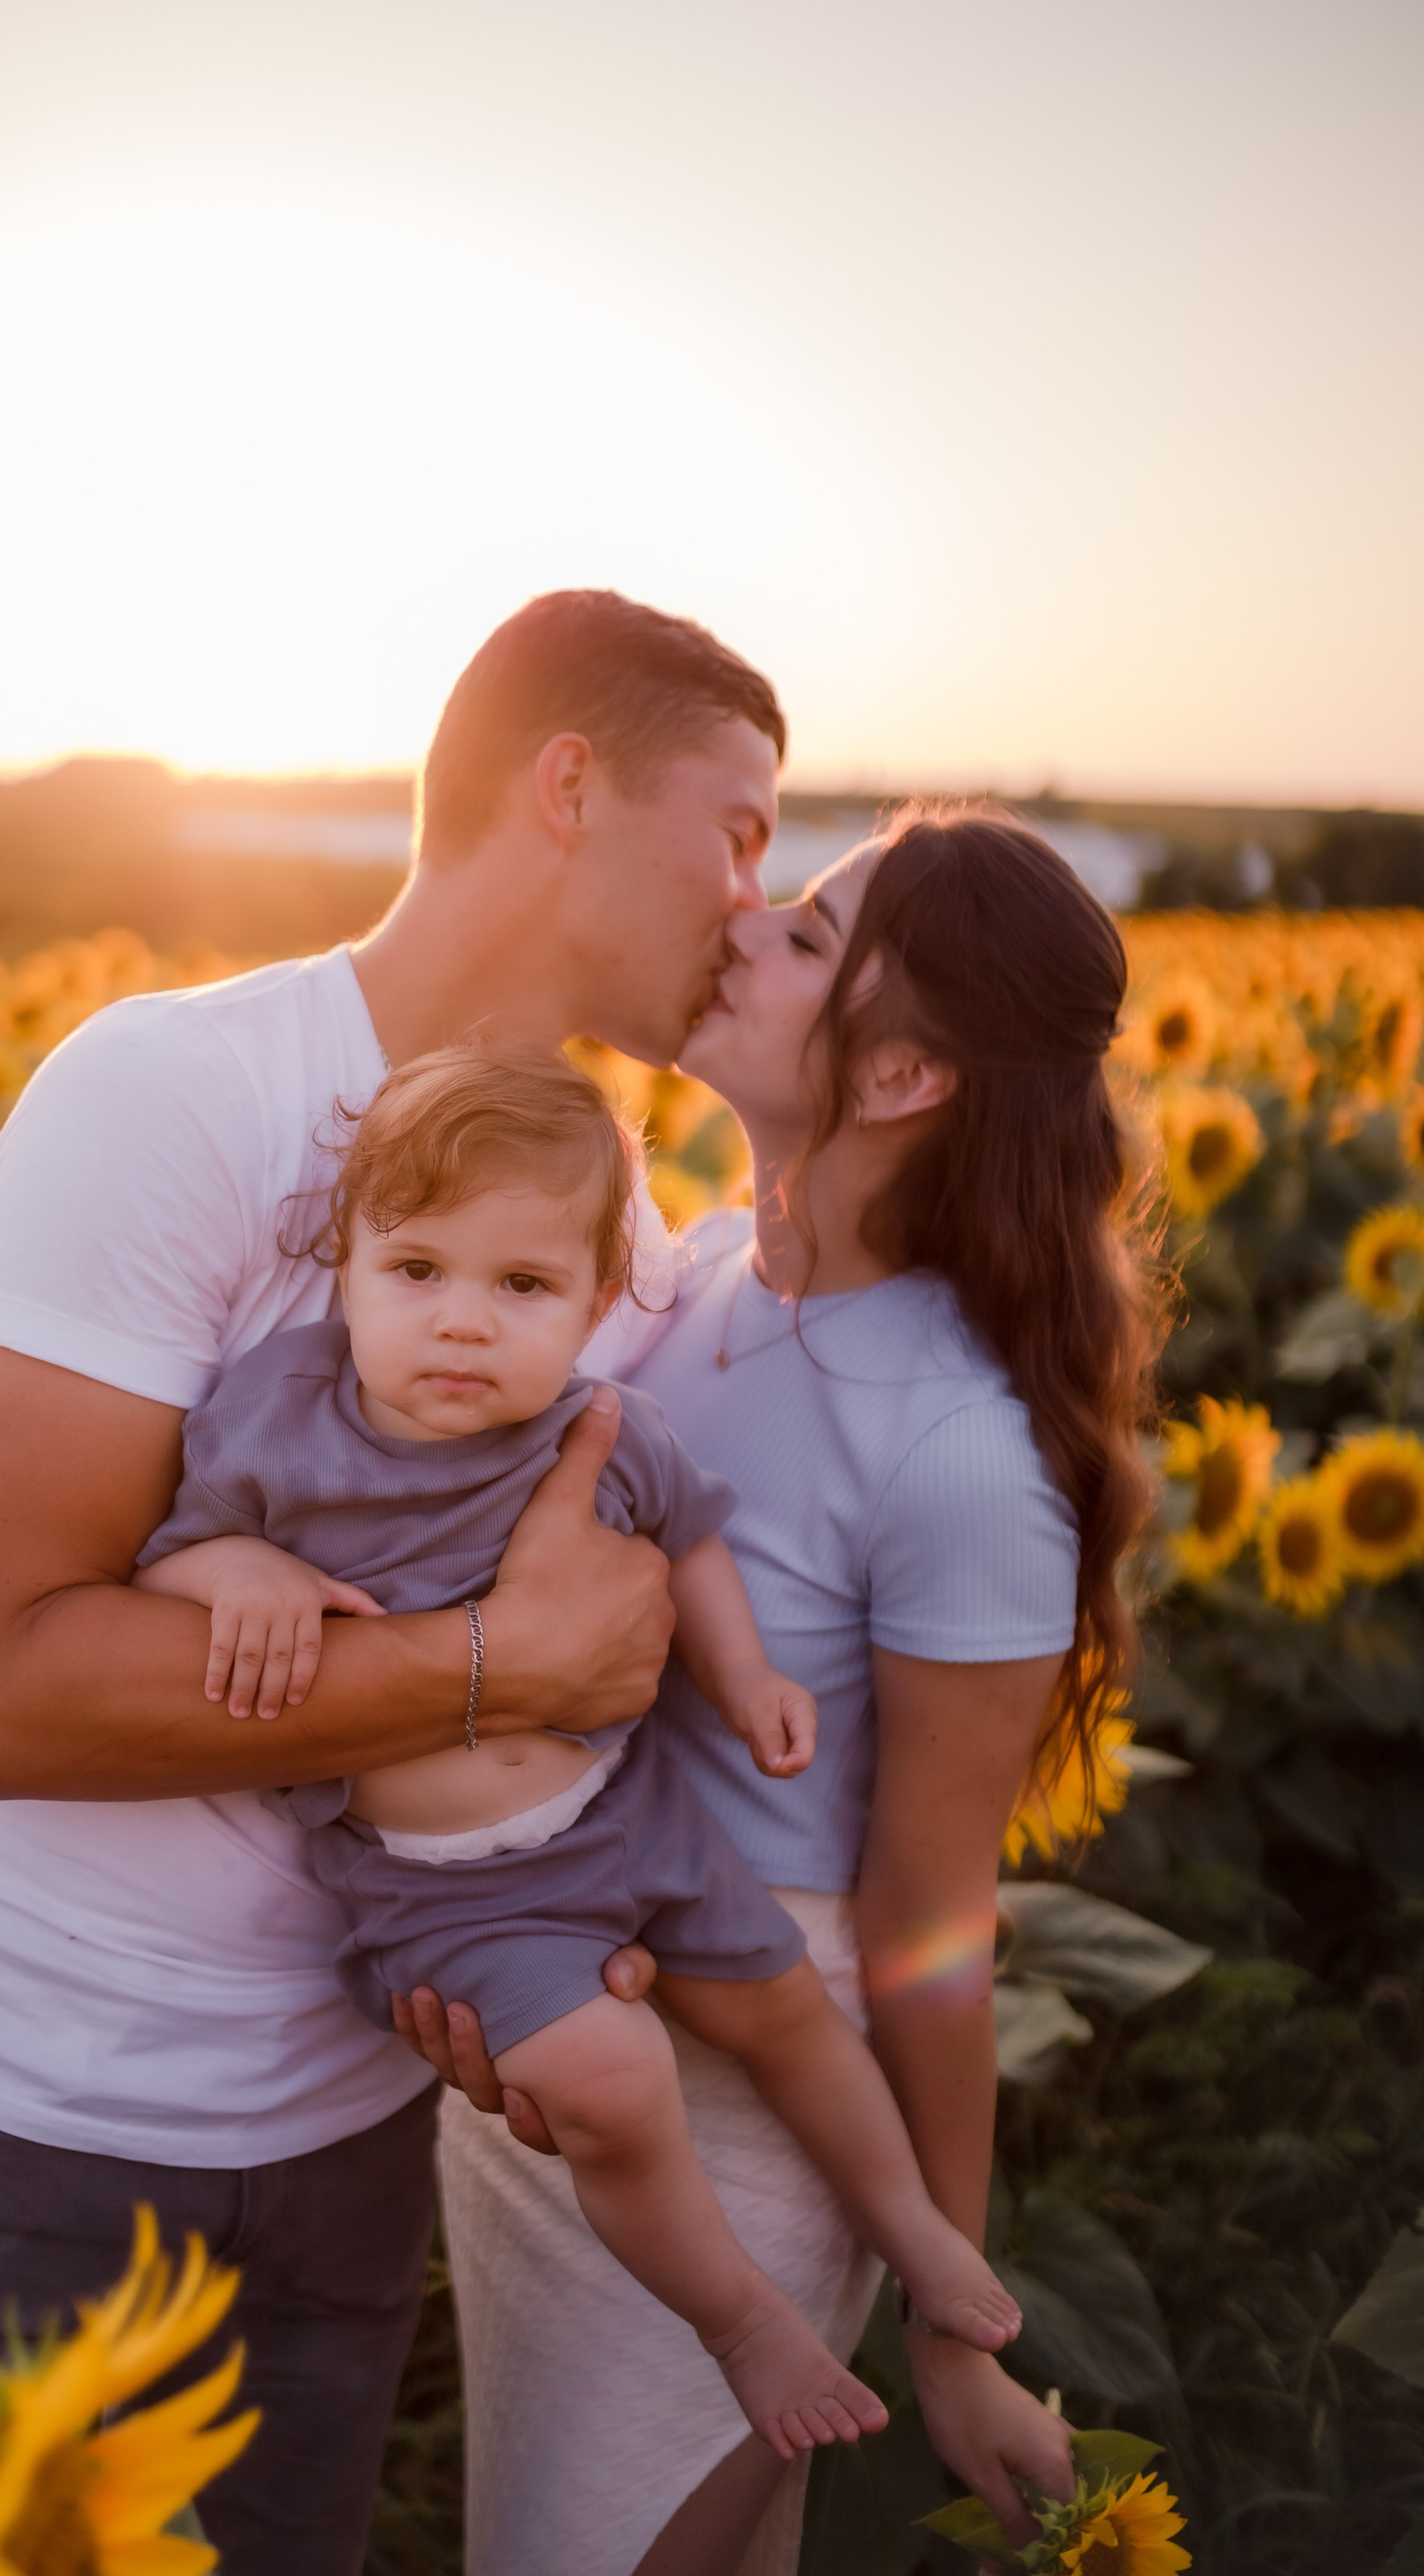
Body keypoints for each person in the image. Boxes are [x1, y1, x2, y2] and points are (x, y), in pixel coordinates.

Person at [0, 590, 789, 2576]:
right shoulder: (176, 1092)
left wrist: (562, 1920)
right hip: (6, 2126)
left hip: (341, 2148)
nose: (754, 892)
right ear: (568, 785)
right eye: (735, 828)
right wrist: (486, 1673)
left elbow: (625, 1616)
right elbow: (5, 1694)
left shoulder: (616, 1216)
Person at [403, 808, 1162, 2576]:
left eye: (812, 935)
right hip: (558, 2046)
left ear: (901, 1075)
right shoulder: (698, 1274)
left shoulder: (963, 1452)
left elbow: (928, 1920)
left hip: (745, 2116)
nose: (744, 926)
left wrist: (954, 2323)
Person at [135, 1044, 1023, 2461]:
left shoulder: (597, 1427)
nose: (460, 1325)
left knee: (790, 2013)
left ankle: (915, 2231)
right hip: (448, 1890)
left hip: (630, 1811)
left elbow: (693, 1539)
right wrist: (237, 1569)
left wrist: (743, 1684)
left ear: (597, 1304)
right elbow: (173, 1556)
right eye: (413, 1271)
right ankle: (737, 2321)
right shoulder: (280, 1415)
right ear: (341, 1262)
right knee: (612, 2089)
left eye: (523, 1287)